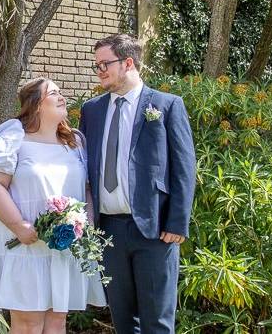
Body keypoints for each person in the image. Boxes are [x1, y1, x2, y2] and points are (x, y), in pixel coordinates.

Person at [79, 33, 196, 334]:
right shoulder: (91, 111)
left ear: (128, 62)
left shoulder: (167, 105)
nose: (100, 70)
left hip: (155, 230)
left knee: (157, 321)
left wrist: (178, 222)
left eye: (105, 64)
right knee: (122, 319)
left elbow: (184, 168)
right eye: (97, 65)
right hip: (109, 231)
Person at [0, 77, 106, 334]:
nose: (62, 96)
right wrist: (20, 226)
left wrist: (84, 225)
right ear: (36, 105)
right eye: (54, 93)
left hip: (63, 248)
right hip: (25, 248)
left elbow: (88, 189)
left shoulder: (75, 142)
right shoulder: (15, 135)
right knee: (28, 325)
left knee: (57, 322)